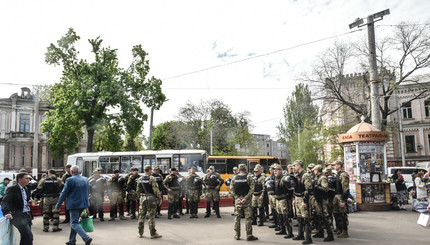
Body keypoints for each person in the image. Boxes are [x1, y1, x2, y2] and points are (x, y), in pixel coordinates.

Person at [56, 165, 92, 245]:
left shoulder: (69, 180)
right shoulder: (86, 179)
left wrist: (58, 205)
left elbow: (63, 193)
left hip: (74, 204)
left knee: (74, 223)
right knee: (75, 221)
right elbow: (88, 191)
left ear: (71, 172)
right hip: (83, 204)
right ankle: (72, 240)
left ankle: (86, 238)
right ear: (79, 171)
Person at [1, 172, 33, 245]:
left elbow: (24, 200)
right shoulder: (12, 189)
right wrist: (6, 212)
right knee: (28, 236)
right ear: (19, 179)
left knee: (26, 237)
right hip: (18, 216)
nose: (28, 180)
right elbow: (5, 201)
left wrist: (28, 202)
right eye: (26, 178)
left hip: (27, 215)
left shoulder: (26, 189)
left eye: (28, 178)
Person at [230, 163, 258, 241]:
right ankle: (249, 235)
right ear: (246, 169)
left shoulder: (234, 178)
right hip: (247, 201)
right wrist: (245, 198)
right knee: (248, 218)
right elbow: (252, 189)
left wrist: (237, 198)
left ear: (238, 170)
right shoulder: (249, 177)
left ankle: (237, 235)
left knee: (237, 218)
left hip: (238, 201)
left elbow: (231, 190)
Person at [136, 165, 162, 239]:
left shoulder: (140, 179)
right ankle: (153, 233)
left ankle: (140, 233)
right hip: (150, 198)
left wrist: (140, 198)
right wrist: (160, 199)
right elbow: (156, 190)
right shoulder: (151, 178)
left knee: (141, 216)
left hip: (142, 198)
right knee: (151, 216)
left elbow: (137, 190)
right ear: (150, 170)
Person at [292, 160, 313, 244]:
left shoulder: (305, 175)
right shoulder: (297, 175)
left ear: (298, 165)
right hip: (297, 198)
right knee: (299, 218)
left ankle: (308, 238)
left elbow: (308, 189)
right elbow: (295, 188)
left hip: (303, 198)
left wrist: (305, 200)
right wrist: (294, 199)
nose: (294, 168)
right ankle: (300, 234)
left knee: (306, 218)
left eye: (295, 166)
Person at [312, 165, 334, 242]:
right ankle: (320, 232)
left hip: (322, 200)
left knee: (326, 217)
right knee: (319, 216)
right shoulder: (317, 177)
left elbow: (325, 188)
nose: (314, 171)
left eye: (315, 170)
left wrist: (317, 187)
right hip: (318, 200)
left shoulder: (323, 178)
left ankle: (330, 234)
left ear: (318, 170)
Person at [272, 164, 294, 239]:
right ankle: (283, 230)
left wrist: (289, 198)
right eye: (274, 170)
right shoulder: (275, 178)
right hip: (277, 199)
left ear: (280, 170)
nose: (275, 171)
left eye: (276, 170)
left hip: (283, 199)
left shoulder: (284, 178)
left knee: (286, 216)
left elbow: (290, 188)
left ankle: (290, 232)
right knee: (280, 215)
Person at [331, 160, 350, 239]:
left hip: (341, 196)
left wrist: (344, 200)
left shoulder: (343, 175)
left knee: (342, 214)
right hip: (337, 195)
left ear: (339, 165)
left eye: (335, 165)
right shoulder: (337, 174)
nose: (334, 166)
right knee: (336, 213)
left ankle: (345, 231)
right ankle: (339, 229)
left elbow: (345, 188)